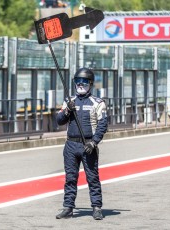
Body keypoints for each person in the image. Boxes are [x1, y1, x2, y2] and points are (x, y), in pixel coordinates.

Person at [55, 67, 108, 220]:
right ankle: (68, 207)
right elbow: (59, 121)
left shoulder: (98, 102)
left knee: (92, 177)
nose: (81, 84)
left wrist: (94, 142)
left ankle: (97, 207)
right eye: (78, 81)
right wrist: (67, 111)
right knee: (70, 177)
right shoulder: (68, 101)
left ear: (90, 83)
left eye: (84, 81)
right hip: (71, 145)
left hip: (88, 145)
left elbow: (103, 125)